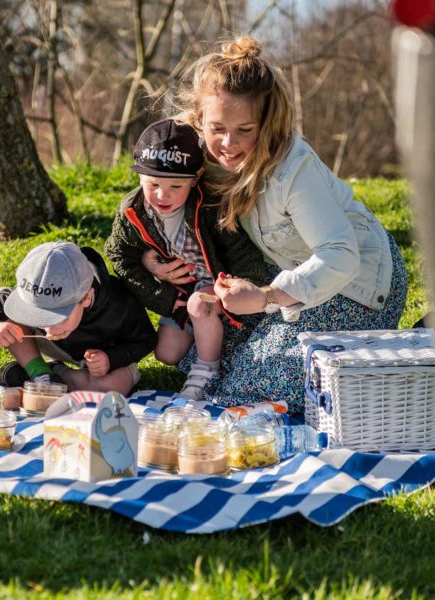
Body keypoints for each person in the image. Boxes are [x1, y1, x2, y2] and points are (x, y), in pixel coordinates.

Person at [142, 37, 408, 412]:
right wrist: (151, 261)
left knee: (248, 390)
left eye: (245, 130)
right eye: (217, 128)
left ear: (267, 123)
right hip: (287, 274)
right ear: (201, 119)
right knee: (201, 357)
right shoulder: (197, 146)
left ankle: (397, 348)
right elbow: (148, 192)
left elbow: (341, 255)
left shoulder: (292, 169)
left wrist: (265, 298)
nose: (228, 144)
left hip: (360, 283)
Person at [105, 118, 267, 401]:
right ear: (139, 177)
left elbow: (240, 251)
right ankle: (208, 339)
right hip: (181, 290)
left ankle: (207, 371)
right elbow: (119, 255)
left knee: (198, 305)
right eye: (152, 184)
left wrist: (250, 287)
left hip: (216, 285)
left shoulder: (209, 207)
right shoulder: (133, 212)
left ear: (195, 179)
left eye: (175, 187)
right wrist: (163, 298)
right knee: (167, 353)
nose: (161, 195)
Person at [0, 241, 157, 396]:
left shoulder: (119, 302)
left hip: (101, 359)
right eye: (40, 316)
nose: (49, 330)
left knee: (113, 388)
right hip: (53, 348)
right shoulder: (44, 313)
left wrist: (110, 358)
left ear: (87, 297)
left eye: (57, 317)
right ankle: (41, 374)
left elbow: (147, 340)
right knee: (6, 308)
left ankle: (52, 374)